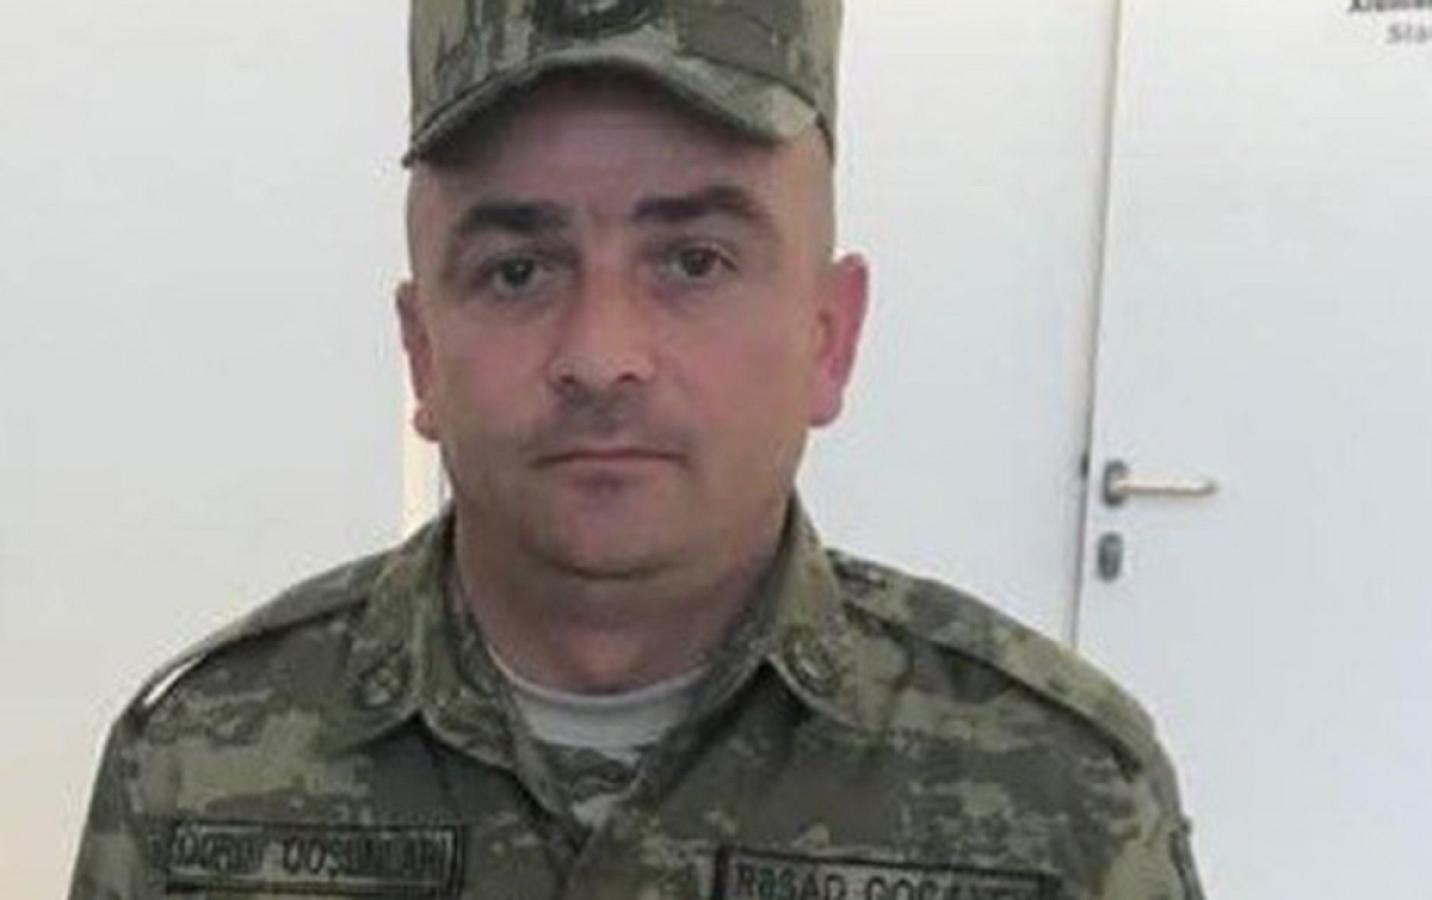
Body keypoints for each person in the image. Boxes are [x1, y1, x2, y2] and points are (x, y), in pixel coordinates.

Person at [69, 1, 1204, 897]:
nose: (600, 355)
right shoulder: (195, 765)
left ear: (829, 336)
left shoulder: (1064, 796)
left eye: (694, 261)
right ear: (421, 353)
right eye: (517, 270)